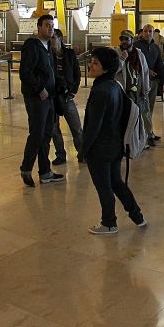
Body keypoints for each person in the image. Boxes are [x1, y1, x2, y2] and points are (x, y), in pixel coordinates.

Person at [79, 46, 146, 235]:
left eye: (95, 63)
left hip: (100, 149)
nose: (91, 66)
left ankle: (109, 223)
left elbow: (94, 125)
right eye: (91, 62)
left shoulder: (101, 90)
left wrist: (83, 150)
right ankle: (137, 215)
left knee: (104, 187)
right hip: (115, 145)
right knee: (116, 182)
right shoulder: (115, 86)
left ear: (106, 68)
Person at [18, 14, 65, 187]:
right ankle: (26, 168)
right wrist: (39, 89)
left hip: (50, 97)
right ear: (39, 27)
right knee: (37, 134)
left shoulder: (48, 47)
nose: (50, 28)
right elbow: (25, 72)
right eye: (47, 25)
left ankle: (45, 172)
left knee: (46, 135)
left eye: (52, 25)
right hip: (37, 97)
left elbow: (51, 71)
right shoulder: (32, 45)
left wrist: (60, 85)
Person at [49, 29, 83, 165]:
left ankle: (82, 153)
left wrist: (73, 91)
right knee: (54, 128)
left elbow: (77, 74)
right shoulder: (47, 54)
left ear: (60, 38)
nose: (51, 40)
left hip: (67, 96)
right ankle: (60, 155)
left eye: (53, 38)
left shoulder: (69, 54)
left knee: (76, 127)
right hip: (52, 95)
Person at [115, 30, 151, 144]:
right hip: (124, 91)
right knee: (124, 117)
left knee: (139, 115)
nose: (124, 42)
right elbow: (113, 70)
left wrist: (146, 88)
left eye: (127, 39)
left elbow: (144, 72)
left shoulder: (139, 54)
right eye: (122, 39)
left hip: (138, 91)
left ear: (132, 40)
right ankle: (125, 140)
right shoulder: (117, 53)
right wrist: (122, 59)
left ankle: (140, 139)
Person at [134, 24, 163, 146]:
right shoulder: (136, 47)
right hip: (141, 81)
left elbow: (159, 62)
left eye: (150, 31)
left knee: (150, 107)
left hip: (153, 81)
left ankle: (149, 130)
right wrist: (146, 70)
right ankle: (146, 133)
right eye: (145, 31)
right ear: (142, 33)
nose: (147, 33)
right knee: (143, 108)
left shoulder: (156, 47)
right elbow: (134, 63)